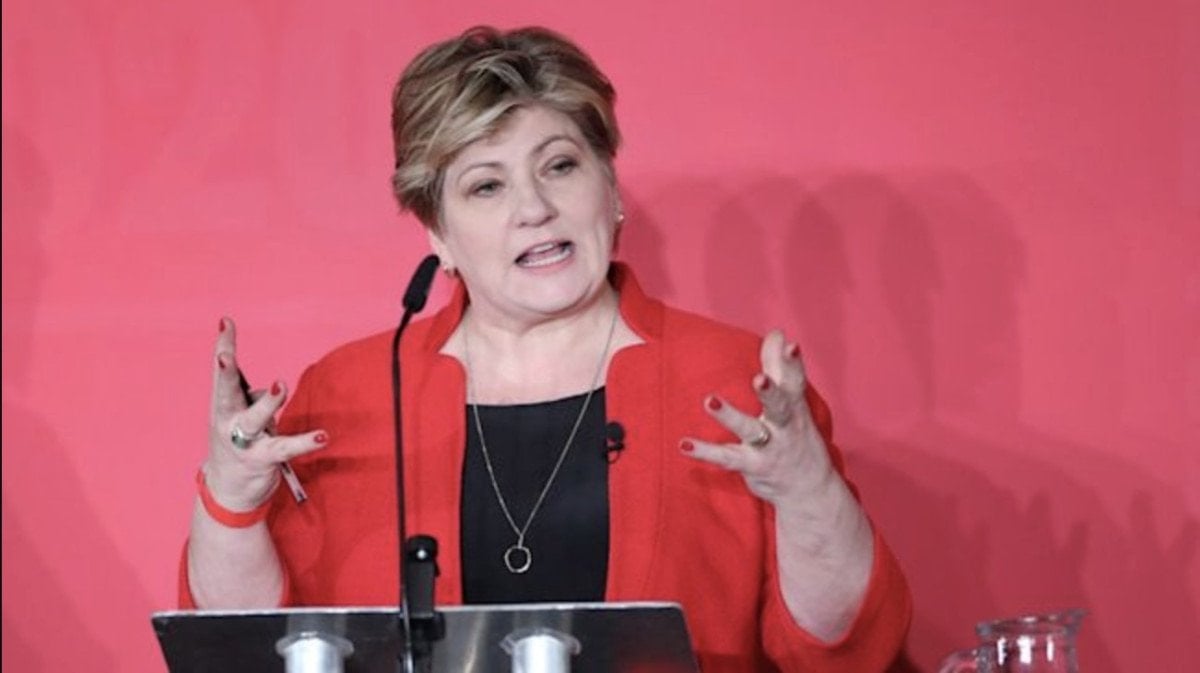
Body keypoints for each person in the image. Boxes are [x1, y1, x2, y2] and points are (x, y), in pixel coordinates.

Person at [181, 25, 912, 671]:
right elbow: (248, 648)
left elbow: (845, 649)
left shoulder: (733, 383)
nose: (534, 208)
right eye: (486, 186)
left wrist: (806, 490)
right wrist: (233, 500)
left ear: (611, 188)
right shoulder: (353, 393)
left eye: (560, 165)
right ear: (439, 235)